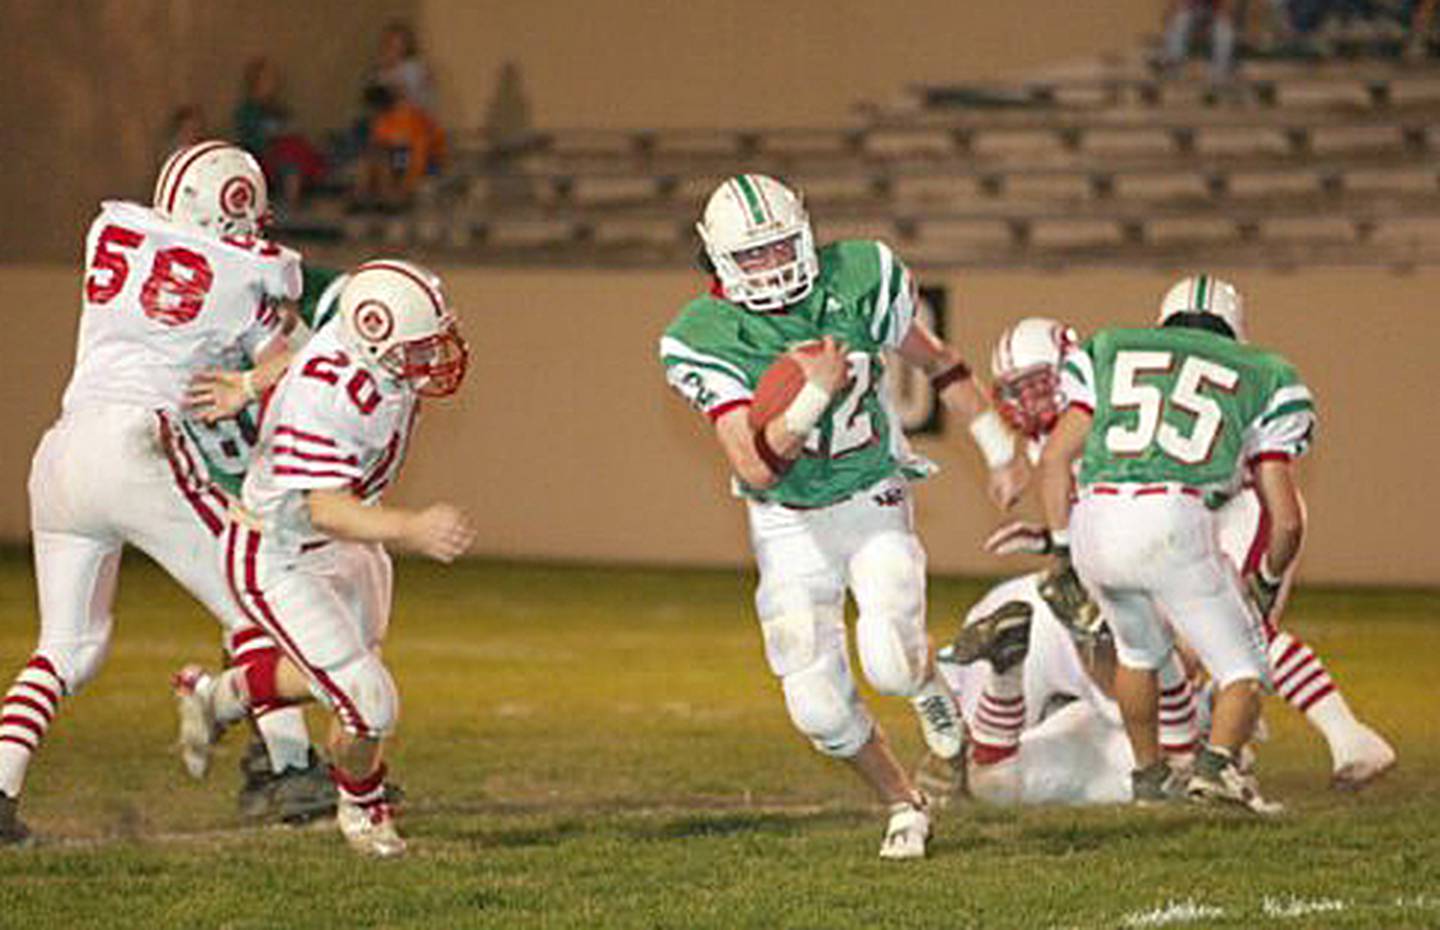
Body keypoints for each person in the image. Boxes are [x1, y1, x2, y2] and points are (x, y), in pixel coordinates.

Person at [657, 174, 1028, 859]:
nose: (772, 267)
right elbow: (756, 468)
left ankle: (925, 683)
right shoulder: (704, 335)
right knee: (817, 708)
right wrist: (812, 396)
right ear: (717, 261)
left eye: (780, 248)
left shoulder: (860, 275)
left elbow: (941, 364)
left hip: (870, 496)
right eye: (753, 256)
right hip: (787, 521)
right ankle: (904, 804)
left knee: (887, 660)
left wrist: (999, 447)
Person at [0, 141, 305, 843]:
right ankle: (293, 773)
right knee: (255, 598)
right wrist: (256, 376)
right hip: (138, 440)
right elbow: (280, 344)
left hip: (62, 449)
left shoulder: (112, 232)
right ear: (228, 205)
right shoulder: (244, 275)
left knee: (66, 650)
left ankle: (0, 790)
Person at [171, 259, 473, 859]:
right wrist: (412, 526)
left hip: (345, 537)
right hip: (282, 551)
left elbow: (316, 343)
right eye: (418, 349)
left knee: (343, 681)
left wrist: (252, 384)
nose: (433, 360)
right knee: (369, 700)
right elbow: (325, 509)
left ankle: (218, 697)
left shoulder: (352, 343)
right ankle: (363, 810)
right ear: (377, 342)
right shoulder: (326, 400)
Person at [1036, 275, 1318, 814]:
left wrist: (1061, 549)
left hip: (1095, 518)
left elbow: (1053, 461)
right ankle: (1216, 770)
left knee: (1138, 652)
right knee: (1245, 665)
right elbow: (1285, 522)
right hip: (1172, 514)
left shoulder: (1110, 347)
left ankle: (1148, 777)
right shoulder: (1266, 374)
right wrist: (1269, 578)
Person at [234, 57, 328, 204]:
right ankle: (291, 200)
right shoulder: (246, 111)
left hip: (283, 151)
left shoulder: (279, 109)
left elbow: (290, 127)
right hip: (262, 155)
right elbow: (253, 137)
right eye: (267, 79)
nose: (273, 84)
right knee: (290, 159)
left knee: (298, 148)